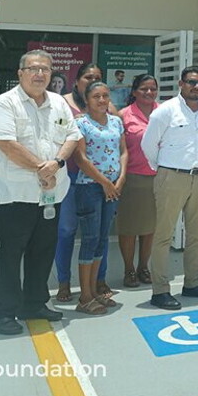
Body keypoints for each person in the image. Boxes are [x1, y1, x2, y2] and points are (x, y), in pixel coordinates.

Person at [0, 49, 80, 335]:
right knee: (12, 254)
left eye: (46, 70)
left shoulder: (59, 103)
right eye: (34, 69)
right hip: (16, 196)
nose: (40, 74)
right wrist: (42, 168)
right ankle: (4, 313)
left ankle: (35, 303)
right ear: (20, 73)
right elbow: (6, 143)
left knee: (42, 251)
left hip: (51, 195)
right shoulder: (6, 103)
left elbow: (72, 135)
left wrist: (57, 163)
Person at [143, 65, 198, 310]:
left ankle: (192, 284)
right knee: (164, 235)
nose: (196, 87)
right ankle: (160, 290)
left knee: (197, 236)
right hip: (171, 177)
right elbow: (148, 145)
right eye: (191, 82)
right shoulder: (165, 112)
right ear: (180, 83)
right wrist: (164, 168)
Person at [55, 62, 116, 303]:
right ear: (77, 80)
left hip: (101, 182)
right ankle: (64, 282)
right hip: (70, 176)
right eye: (88, 77)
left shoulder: (105, 102)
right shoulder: (63, 103)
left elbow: (117, 124)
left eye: (98, 77)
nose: (92, 81)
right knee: (66, 230)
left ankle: (98, 281)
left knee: (100, 232)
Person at [73, 81, 127, 315]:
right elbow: (80, 159)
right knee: (90, 239)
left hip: (113, 188)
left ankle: (95, 290)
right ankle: (84, 297)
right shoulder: (80, 124)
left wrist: (120, 179)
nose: (102, 100)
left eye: (106, 96)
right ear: (87, 100)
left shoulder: (116, 121)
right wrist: (105, 183)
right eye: (97, 96)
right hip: (90, 188)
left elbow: (123, 151)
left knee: (102, 240)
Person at [117, 74, 159, 288]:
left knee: (150, 227)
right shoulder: (123, 115)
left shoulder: (163, 113)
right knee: (129, 228)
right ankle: (129, 269)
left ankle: (144, 267)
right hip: (132, 178)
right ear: (134, 92)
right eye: (144, 89)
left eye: (153, 89)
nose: (149, 93)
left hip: (158, 178)